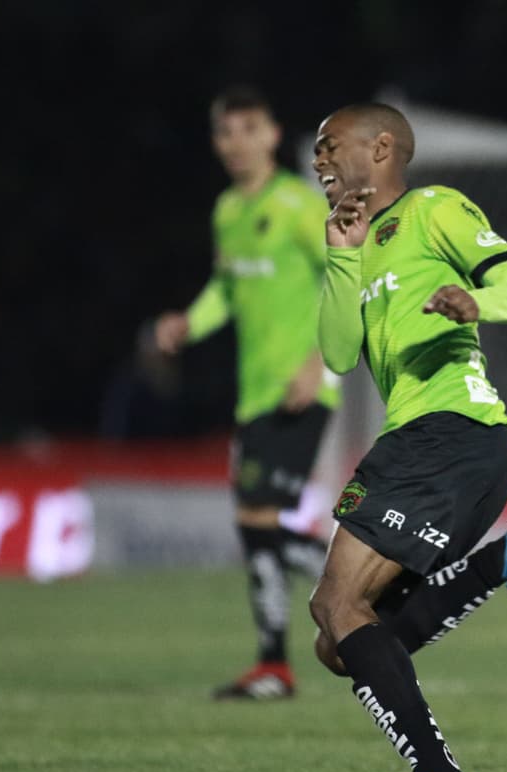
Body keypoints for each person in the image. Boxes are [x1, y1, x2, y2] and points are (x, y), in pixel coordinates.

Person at [308, 102, 507, 772]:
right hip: (440, 448)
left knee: (338, 603)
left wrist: (474, 300)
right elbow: (337, 354)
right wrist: (341, 251)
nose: (319, 160)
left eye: (330, 146)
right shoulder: (356, 241)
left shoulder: (434, 209)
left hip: (448, 432)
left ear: (382, 146)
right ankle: (503, 562)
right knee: (339, 639)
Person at [153, 87, 339, 699]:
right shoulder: (229, 210)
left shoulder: (297, 205)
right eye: (225, 131)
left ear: (271, 134)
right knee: (254, 525)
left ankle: (363, 589)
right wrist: (189, 321)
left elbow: (348, 280)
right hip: (256, 395)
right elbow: (225, 292)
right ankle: (275, 665)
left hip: (304, 389)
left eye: (248, 128)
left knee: (257, 518)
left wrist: (319, 364)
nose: (237, 142)